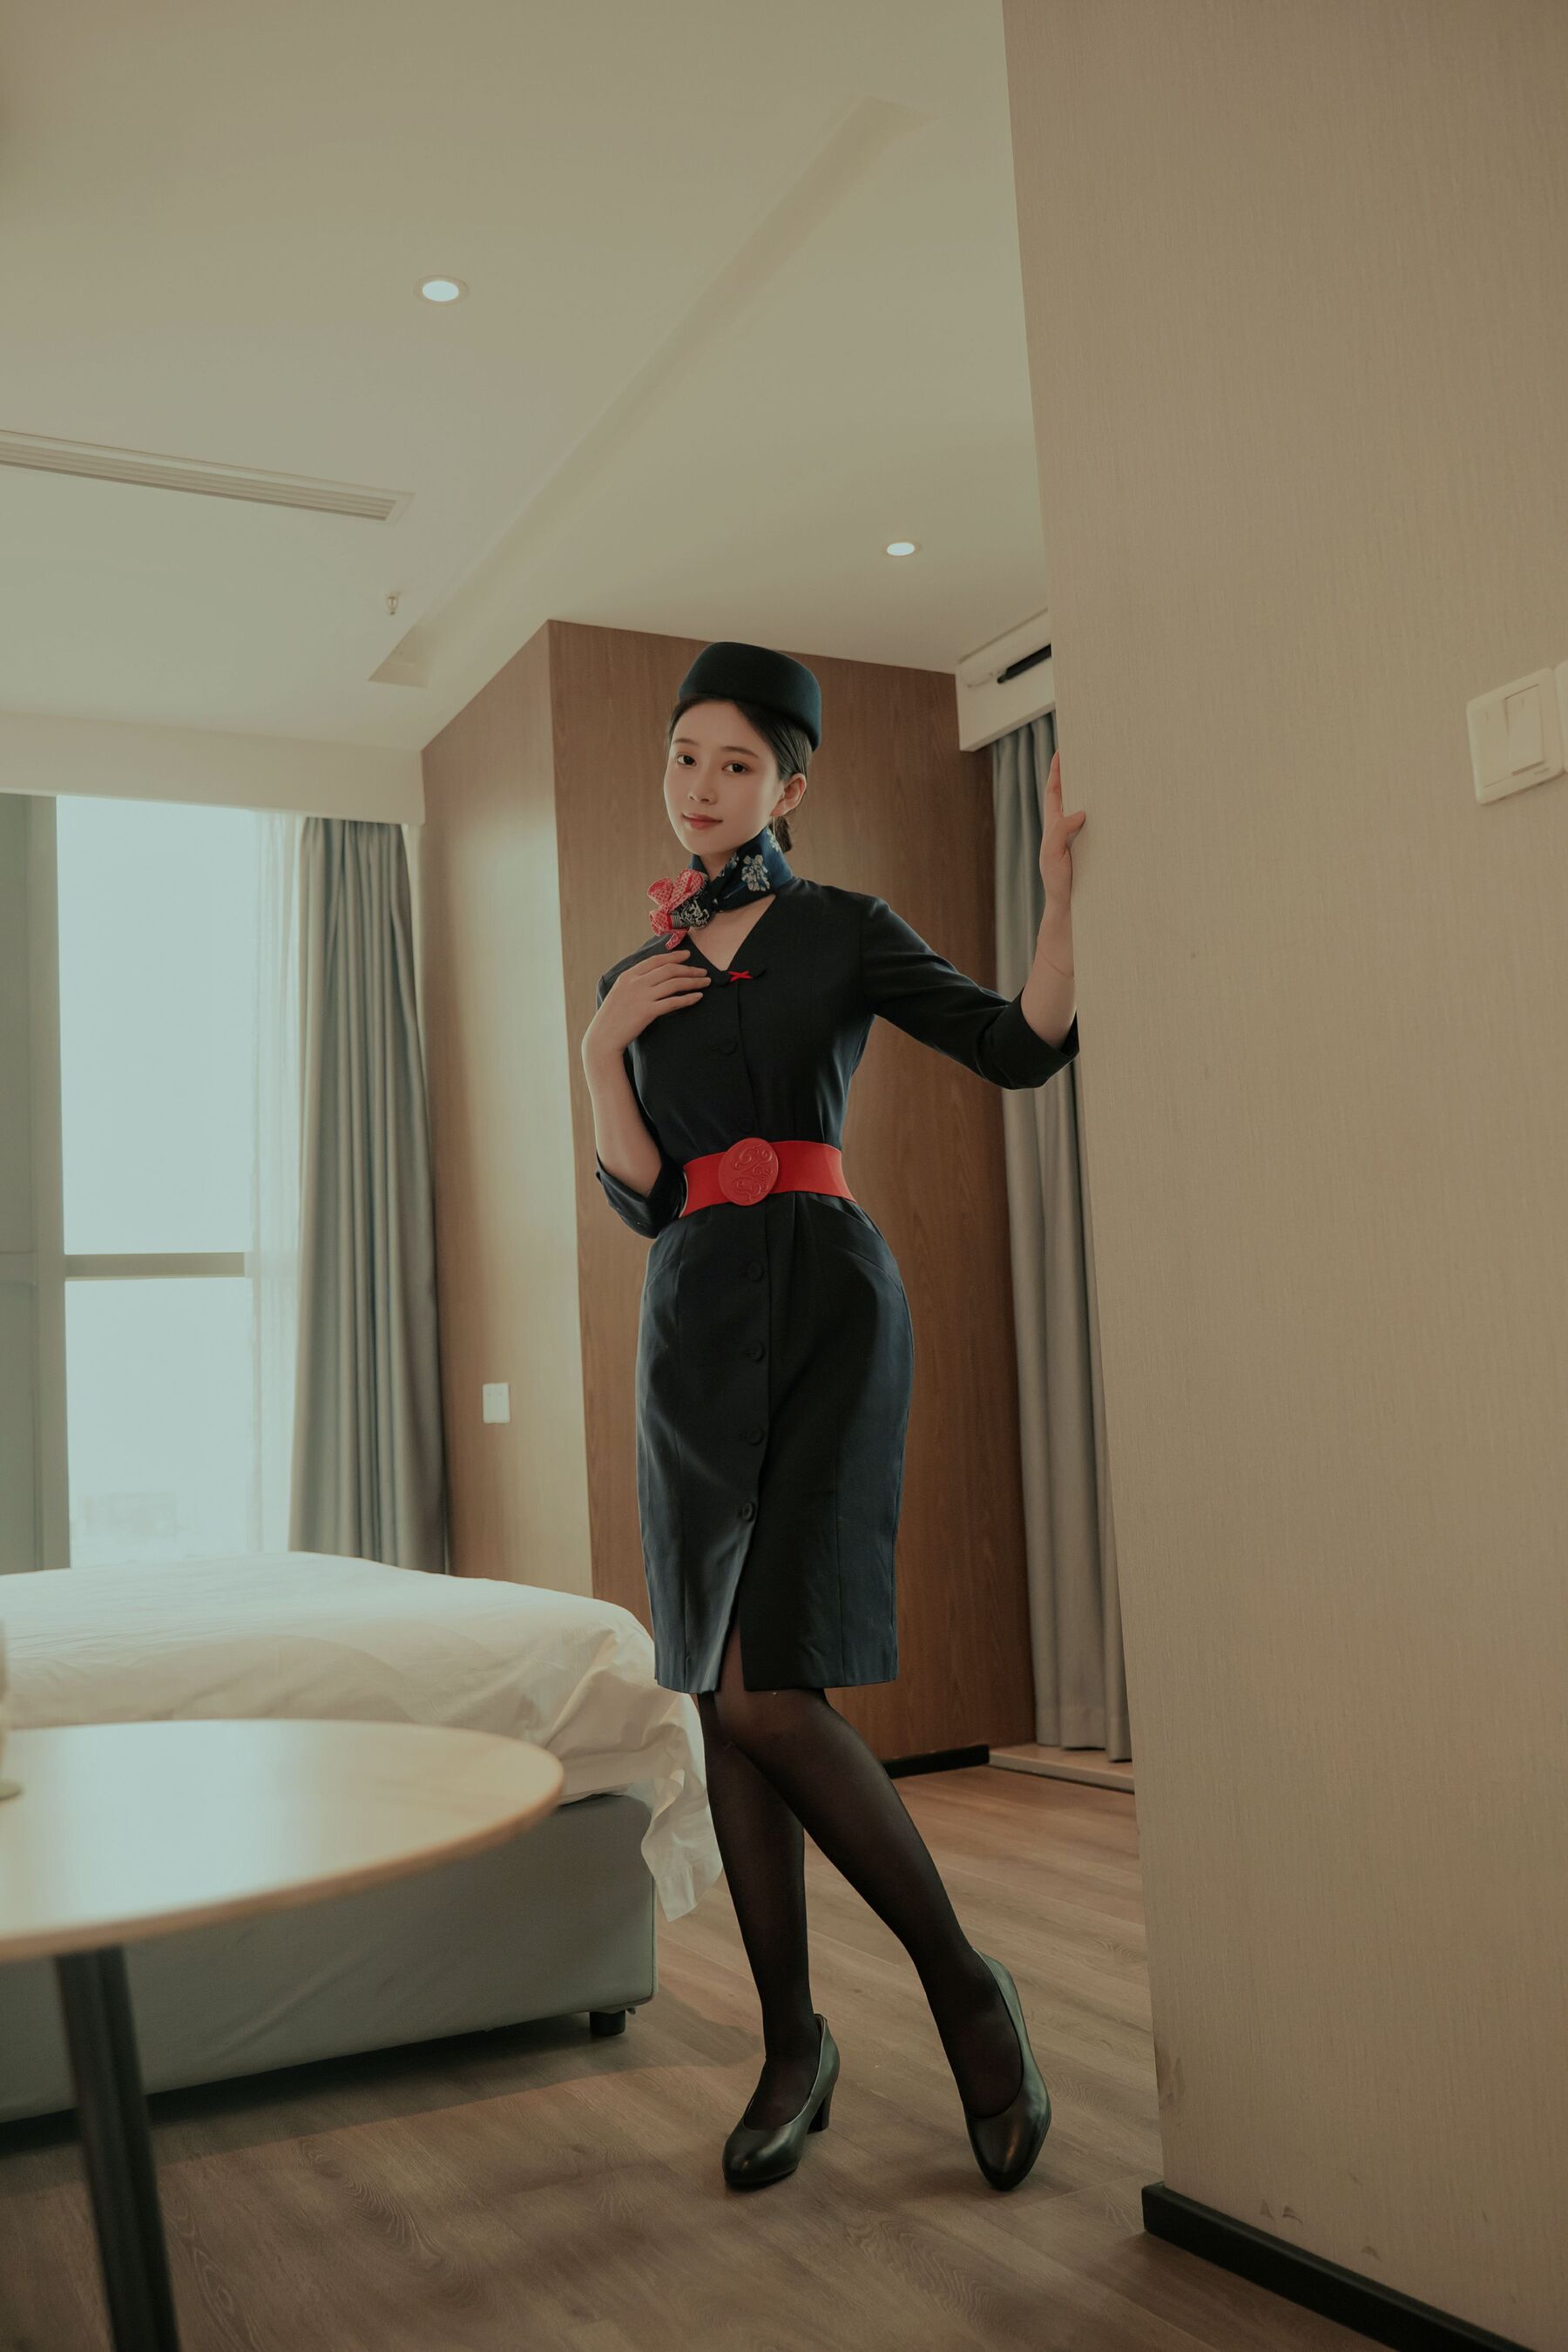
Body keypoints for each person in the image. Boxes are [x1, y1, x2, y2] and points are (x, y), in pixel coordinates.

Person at [581, 641, 1085, 2193]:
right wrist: (600, 1048)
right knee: (724, 1698)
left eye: (736, 764)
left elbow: (1018, 1047)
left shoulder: (843, 929)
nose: (702, 786)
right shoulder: (635, 974)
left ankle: (966, 1991)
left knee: (769, 1694)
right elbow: (640, 1194)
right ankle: (791, 2046)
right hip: (692, 1329)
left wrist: (1063, 897)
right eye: (685, 757)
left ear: (788, 787)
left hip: (826, 1312)